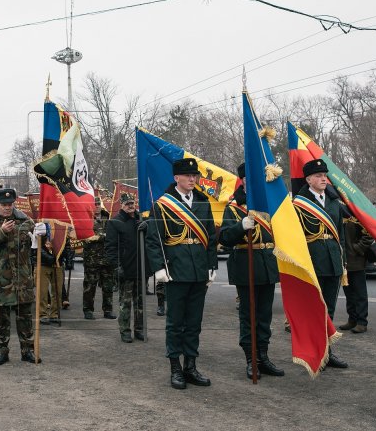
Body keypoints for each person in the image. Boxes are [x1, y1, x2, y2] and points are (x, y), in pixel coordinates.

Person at [145, 157, 217, 390]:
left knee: (194, 322)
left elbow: (211, 238)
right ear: (177, 178)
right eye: (187, 176)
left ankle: (191, 366)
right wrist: (158, 269)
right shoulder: (163, 205)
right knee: (175, 323)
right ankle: (175, 368)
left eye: (194, 176)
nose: (192, 179)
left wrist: (212, 265)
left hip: (198, 271)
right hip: (175, 270)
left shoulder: (203, 203)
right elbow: (154, 240)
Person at [219, 163, 284, 380]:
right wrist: (241, 226)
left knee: (264, 316)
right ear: (243, 180)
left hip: (267, 265)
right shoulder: (234, 207)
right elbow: (225, 238)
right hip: (246, 266)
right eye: (249, 178)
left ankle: (263, 357)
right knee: (249, 316)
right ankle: (251, 359)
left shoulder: (269, 204)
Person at [0, 188, 45, 365]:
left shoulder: (25, 220)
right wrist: (1, 232)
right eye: (3, 205)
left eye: (10, 204)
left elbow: (37, 244)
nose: (7, 208)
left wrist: (43, 234)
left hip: (22, 278)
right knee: (1, 319)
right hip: (0, 280)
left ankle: (28, 350)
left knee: (25, 318)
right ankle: (1, 351)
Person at [293, 159, 348, 369]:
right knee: (314, 309)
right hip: (312, 261)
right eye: (318, 176)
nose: (323, 178)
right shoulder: (299, 203)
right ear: (308, 180)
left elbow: (340, 235)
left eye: (325, 175)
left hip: (333, 260)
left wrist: (342, 260)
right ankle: (315, 352)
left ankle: (327, 351)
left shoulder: (333, 201)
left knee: (329, 309)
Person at [105, 192, 145, 343]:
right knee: (125, 302)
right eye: (127, 203)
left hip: (140, 268)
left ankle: (139, 329)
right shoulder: (115, 222)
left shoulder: (140, 219)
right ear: (121, 205)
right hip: (125, 269)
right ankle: (125, 330)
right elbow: (110, 248)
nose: (131, 206)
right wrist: (116, 267)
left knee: (140, 302)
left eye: (133, 203)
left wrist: (147, 227)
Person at [339, 216, 375, 334]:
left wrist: (357, 248)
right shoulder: (338, 212)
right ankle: (352, 319)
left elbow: (369, 234)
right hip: (342, 261)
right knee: (348, 293)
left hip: (356, 260)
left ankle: (362, 322)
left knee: (359, 293)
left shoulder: (356, 214)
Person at [82, 197, 116, 320]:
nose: (96, 206)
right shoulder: (86, 219)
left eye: (98, 204)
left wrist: (99, 237)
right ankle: (88, 310)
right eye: (94, 204)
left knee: (108, 286)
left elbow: (113, 236)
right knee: (90, 286)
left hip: (107, 258)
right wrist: (100, 237)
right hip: (91, 259)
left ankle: (108, 310)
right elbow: (84, 238)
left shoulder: (108, 218)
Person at [37, 236, 71, 326]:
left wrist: (68, 260)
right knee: (42, 291)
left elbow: (66, 246)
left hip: (58, 264)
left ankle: (54, 314)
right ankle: (42, 314)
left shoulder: (61, 228)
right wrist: (48, 257)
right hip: (42, 264)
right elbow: (35, 246)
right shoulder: (40, 226)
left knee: (57, 291)